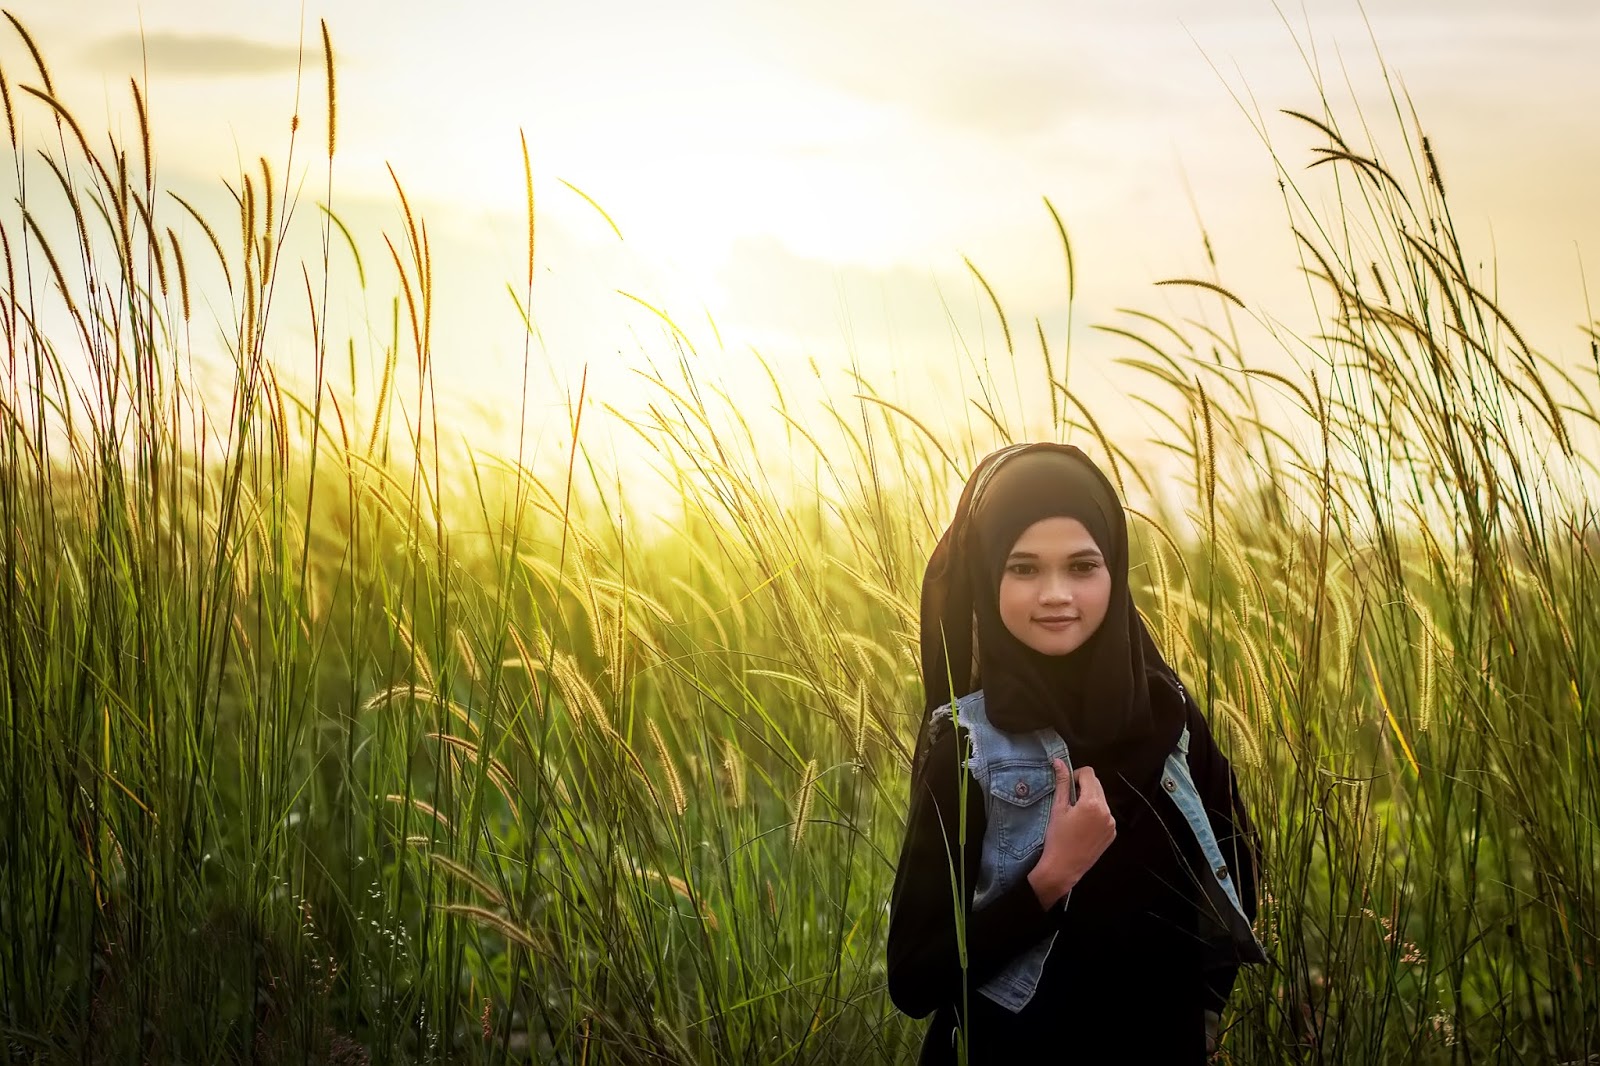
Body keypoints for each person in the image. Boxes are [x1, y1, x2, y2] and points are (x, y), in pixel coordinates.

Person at [886, 442, 1266, 1064]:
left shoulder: (1169, 717)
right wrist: (1050, 878)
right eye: (1025, 568)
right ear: (986, 574)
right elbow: (915, 976)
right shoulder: (967, 745)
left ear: (1114, 570)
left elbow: (1236, 868)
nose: (1056, 593)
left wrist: (1198, 1009)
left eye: (1083, 566)